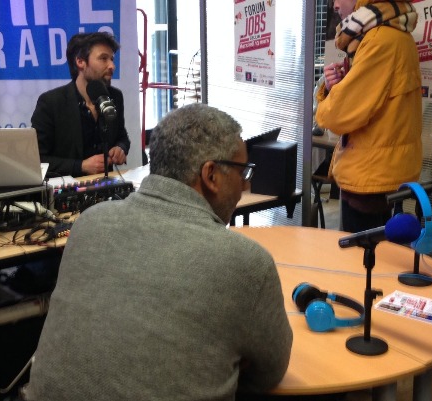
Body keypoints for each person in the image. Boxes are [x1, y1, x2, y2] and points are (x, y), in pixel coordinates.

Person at [25, 104, 293, 400]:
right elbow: (269, 373)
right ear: (211, 175)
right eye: (242, 172)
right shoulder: (246, 263)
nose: (245, 184)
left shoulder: (89, 223)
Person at [314, 0, 422, 233]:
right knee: (377, 249)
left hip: (370, 173)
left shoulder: (378, 40)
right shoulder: (396, 34)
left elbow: (338, 116)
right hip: (383, 167)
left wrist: (326, 102)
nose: (335, 5)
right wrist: (338, 88)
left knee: (361, 251)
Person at [31, 32, 130, 178]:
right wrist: (80, 166)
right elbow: (37, 160)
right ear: (80, 62)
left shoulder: (115, 96)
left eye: (112, 59)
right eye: (103, 58)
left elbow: (122, 136)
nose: (112, 66)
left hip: (107, 183)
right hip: (68, 186)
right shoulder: (51, 102)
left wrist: (121, 148)